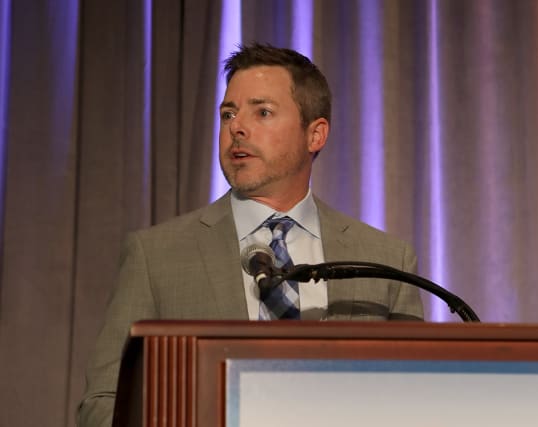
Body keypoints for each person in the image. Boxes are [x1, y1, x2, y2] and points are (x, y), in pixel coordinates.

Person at [77, 43, 424, 426]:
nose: (236, 128)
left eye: (262, 112)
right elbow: (103, 404)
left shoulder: (386, 260)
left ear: (315, 134)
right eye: (228, 114)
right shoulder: (155, 256)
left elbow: (414, 402)